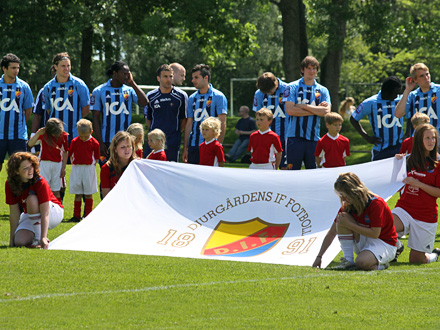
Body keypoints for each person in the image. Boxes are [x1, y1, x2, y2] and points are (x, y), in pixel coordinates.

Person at [312, 172, 397, 270]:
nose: (342, 199)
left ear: (354, 192)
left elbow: (375, 234)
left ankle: (382, 264)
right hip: (364, 240)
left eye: (344, 195)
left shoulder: (376, 203)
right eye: (340, 195)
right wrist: (319, 256)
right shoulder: (348, 206)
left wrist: (350, 225)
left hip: (384, 243)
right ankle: (348, 260)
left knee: (361, 263)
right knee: (342, 217)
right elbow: (332, 232)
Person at [392, 124, 440, 264]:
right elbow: (395, 184)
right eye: (427, 138)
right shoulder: (407, 160)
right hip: (404, 209)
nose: (431, 141)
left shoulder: (438, 163)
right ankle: (397, 246)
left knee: (416, 260)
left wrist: (418, 184)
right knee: (383, 228)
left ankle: (434, 255)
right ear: (419, 140)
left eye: (433, 138)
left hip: (426, 215)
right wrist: (396, 165)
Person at [5, 152, 64, 249]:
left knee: (31, 199)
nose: (30, 170)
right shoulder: (10, 183)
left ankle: (38, 239)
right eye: (25, 168)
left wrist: (43, 237)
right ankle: (35, 237)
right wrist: (11, 239)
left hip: (53, 213)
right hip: (32, 214)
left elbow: (45, 213)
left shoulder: (40, 181)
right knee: (20, 241)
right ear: (16, 171)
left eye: (31, 166)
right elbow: (14, 213)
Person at [92, 61, 148, 160]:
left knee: (125, 174)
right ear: (115, 73)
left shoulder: (129, 90)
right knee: (108, 173)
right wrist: (100, 142)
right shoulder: (99, 91)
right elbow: (95, 118)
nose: (126, 76)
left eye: (128, 74)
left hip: (127, 142)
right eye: (124, 73)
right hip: (107, 141)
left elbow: (144, 102)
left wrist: (132, 83)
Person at [283, 56, 331, 170]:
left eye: (314, 68)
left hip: (314, 138)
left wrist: (304, 106)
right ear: (302, 70)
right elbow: (290, 110)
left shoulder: (323, 90)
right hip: (294, 138)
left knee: (313, 173)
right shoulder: (291, 87)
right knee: (293, 173)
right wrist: (315, 110)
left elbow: (326, 111)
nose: (312, 71)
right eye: (309, 68)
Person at [183, 64, 228, 164]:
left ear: (206, 78)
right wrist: (186, 148)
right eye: (193, 78)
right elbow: (189, 123)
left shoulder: (218, 96)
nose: (193, 80)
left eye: (196, 78)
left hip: (210, 146)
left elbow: (222, 123)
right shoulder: (192, 98)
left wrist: (218, 145)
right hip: (194, 145)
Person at [350, 76, 403, 161]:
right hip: (381, 150)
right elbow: (353, 118)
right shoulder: (371, 102)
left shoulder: (400, 100)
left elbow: (412, 113)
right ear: (387, 91)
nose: (397, 95)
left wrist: (407, 132)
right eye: (395, 93)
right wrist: (367, 137)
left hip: (399, 148)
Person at [42, 52, 90, 145]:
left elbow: (86, 109)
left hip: (74, 135)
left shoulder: (79, 84)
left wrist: (75, 120)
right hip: (54, 136)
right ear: (55, 67)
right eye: (63, 66)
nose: (66, 69)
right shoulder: (48, 87)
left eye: (68, 65)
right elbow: (48, 110)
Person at [144, 64, 187, 162]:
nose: (169, 79)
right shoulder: (150, 96)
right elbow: (148, 118)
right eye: (165, 76)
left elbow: (184, 119)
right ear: (158, 78)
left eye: (170, 76)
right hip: (154, 140)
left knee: (170, 170)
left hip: (173, 140)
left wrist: (175, 132)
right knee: (150, 168)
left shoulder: (181, 96)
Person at [0, 53, 34, 173]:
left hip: (18, 135)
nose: (16, 71)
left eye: (18, 68)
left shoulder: (24, 87)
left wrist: (21, 125)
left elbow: (28, 109)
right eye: (13, 68)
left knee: (19, 169)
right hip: (0, 135)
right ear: (4, 68)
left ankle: (19, 192)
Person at [27, 118, 68, 202]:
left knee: (56, 191)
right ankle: (43, 209)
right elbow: (30, 143)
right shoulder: (43, 134)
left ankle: (57, 210)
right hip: (44, 164)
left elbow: (65, 152)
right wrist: (38, 133)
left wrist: (63, 168)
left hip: (57, 165)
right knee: (43, 188)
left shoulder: (63, 135)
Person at [253, 72, 288, 169]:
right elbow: (258, 114)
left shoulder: (287, 89)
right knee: (265, 166)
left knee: (284, 167)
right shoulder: (259, 93)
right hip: (266, 137)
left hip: (285, 135)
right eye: (266, 92)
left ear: (276, 83)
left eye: (270, 91)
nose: (269, 94)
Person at [68, 119, 100, 222]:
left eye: (85, 136)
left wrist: (92, 167)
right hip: (77, 168)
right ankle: (76, 215)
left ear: (91, 132)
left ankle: (88, 216)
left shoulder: (94, 142)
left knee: (88, 193)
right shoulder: (74, 141)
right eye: (81, 136)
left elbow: (97, 157)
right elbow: (71, 155)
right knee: (77, 193)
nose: (83, 138)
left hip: (88, 168)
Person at [395, 63, 440, 133]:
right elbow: (398, 114)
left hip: (437, 139)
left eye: (427, 74)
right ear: (415, 80)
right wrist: (407, 90)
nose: (426, 77)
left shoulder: (438, 91)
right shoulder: (413, 95)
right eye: (421, 76)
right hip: (418, 140)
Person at [100, 131, 135, 199]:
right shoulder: (106, 168)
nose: (127, 149)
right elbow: (106, 197)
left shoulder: (138, 166)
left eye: (129, 146)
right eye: (123, 147)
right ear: (115, 149)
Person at [30, 67, 56, 155]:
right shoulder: (44, 90)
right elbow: (37, 115)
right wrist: (33, 134)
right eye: (53, 72)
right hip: (46, 134)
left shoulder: (74, 87)